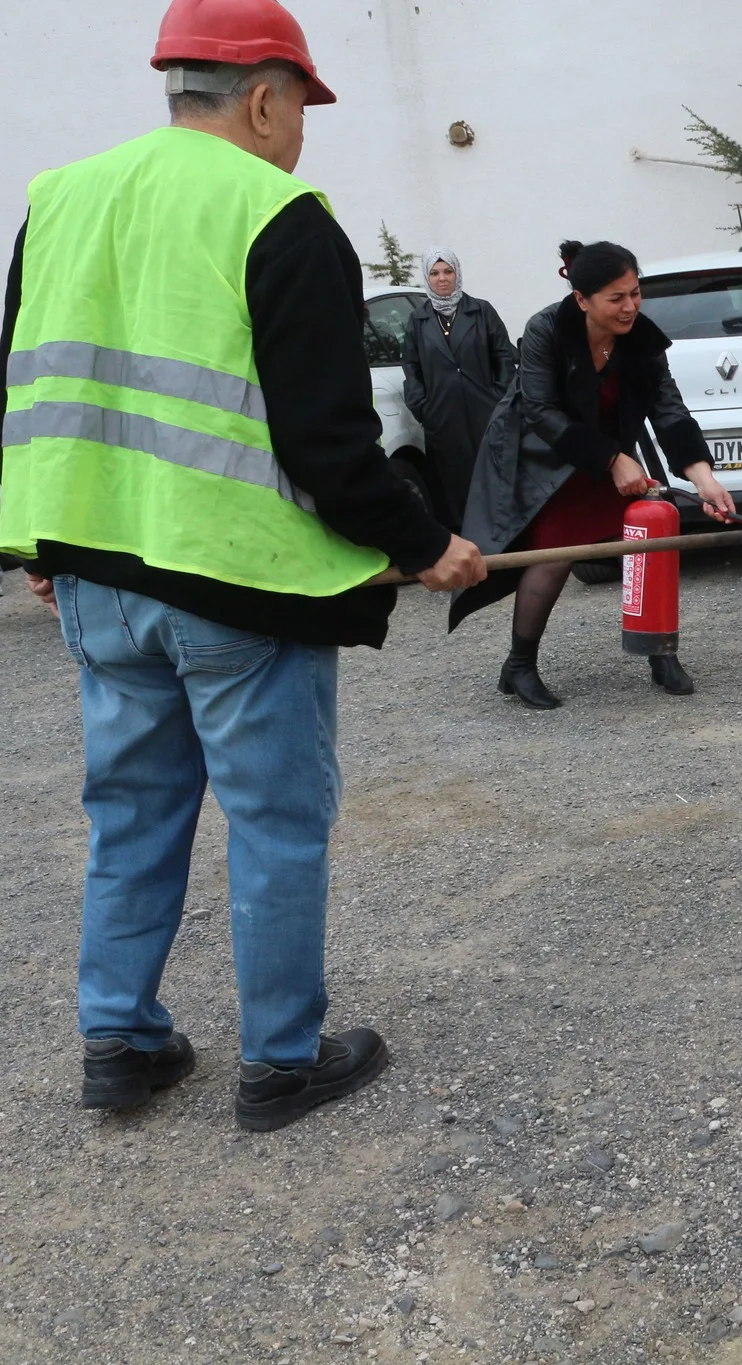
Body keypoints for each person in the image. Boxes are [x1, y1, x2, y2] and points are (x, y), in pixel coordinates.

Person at [0, 0, 487, 1131]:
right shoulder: (280, 214)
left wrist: (44, 544)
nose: (301, 133)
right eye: (302, 110)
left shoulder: (56, 199)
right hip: (236, 590)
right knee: (274, 823)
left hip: (98, 579)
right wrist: (427, 547)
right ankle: (280, 1061)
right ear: (264, 98)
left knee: (130, 815)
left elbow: (28, 386)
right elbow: (325, 442)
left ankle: (118, 1041)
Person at [454, 240, 736, 708]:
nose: (630, 307)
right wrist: (611, 459)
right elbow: (541, 411)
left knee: (654, 535)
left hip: (610, 456)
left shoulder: (642, 338)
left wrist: (703, 478)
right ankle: (519, 663)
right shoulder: (546, 329)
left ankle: (659, 651)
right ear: (582, 299)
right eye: (616, 298)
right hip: (546, 455)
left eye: (635, 293)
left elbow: (669, 409)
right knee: (556, 553)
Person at [400, 247, 513, 529]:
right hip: (442, 417)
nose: (442, 279)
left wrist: (498, 398)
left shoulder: (481, 311)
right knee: (453, 487)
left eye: (448, 271)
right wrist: (422, 407)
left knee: (492, 480)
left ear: (457, 273)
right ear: (427, 278)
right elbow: (411, 367)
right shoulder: (419, 320)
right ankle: (465, 547)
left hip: (485, 413)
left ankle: (503, 547)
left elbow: (504, 356)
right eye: (435, 273)